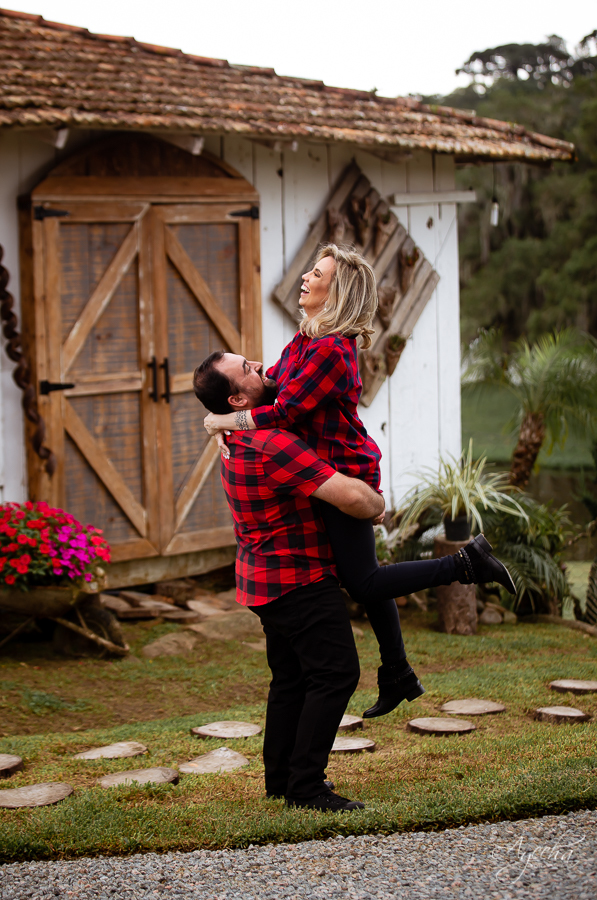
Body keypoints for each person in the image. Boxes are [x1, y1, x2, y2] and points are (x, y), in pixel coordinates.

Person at [201, 244, 516, 718]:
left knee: (364, 580)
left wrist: (223, 424)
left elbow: (284, 410)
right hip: (324, 468)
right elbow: (269, 383)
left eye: (317, 274)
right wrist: (220, 415)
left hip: (346, 471)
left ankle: (466, 564)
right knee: (364, 578)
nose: (305, 277)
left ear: (337, 293)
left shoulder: (332, 348)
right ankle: (398, 674)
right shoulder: (308, 338)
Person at [195, 368, 384, 811]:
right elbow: (352, 499)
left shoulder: (236, 437)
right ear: (239, 402)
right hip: (298, 579)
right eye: (247, 370)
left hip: (262, 578)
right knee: (337, 673)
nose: (259, 368)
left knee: (291, 680)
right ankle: (306, 787)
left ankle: (280, 779)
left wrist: (216, 421)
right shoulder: (272, 445)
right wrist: (376, 504)